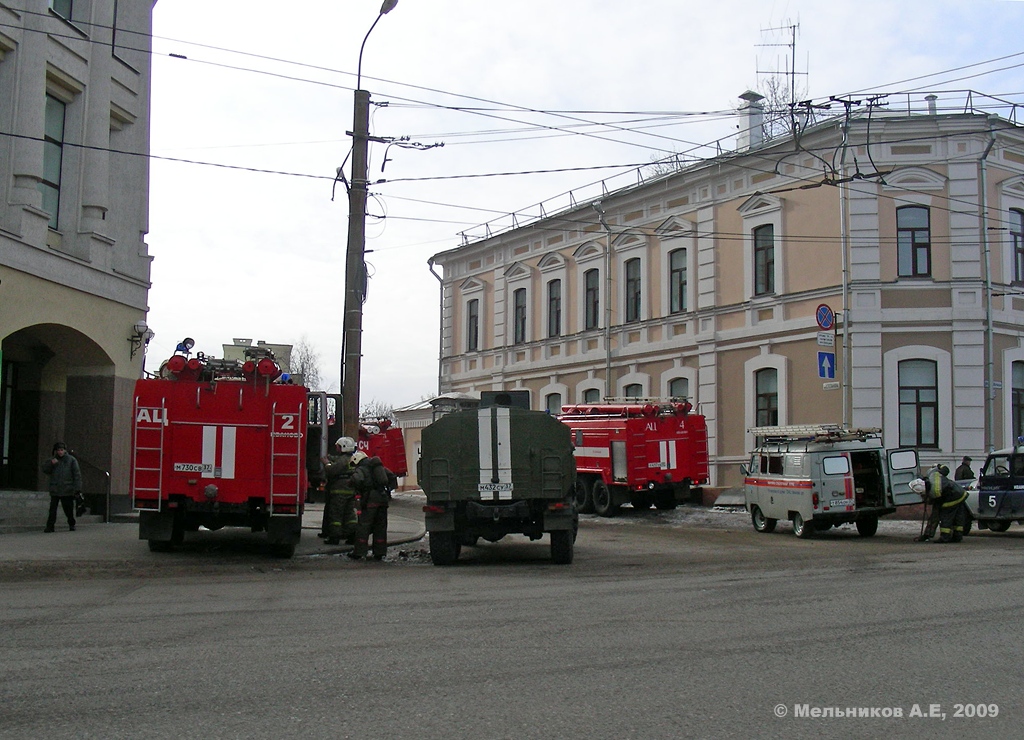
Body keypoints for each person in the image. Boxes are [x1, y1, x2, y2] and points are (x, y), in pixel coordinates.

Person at [348, 451, 396, 561]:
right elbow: (391, 476)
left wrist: (351, 483)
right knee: (380, 527)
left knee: (363, 526)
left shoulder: (361, 469)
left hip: (370, 500)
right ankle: (379, 552)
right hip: (383, 499)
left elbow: (357, 479)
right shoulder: (377, 467)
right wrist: (387, 490)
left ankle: (359, 553)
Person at [911, 464, 967, 543]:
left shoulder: (935, 493)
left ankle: (945, 537)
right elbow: (946, 469)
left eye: (922, 495)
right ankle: (957, 537)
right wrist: (939, 466)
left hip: (953, 496)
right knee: (958, 516)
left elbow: (935, 513)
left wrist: (927, 535)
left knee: (946, 516)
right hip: (961, 492)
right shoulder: (932, 473)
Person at [320, 437, 358, 545]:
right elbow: (337, 460)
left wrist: (326, 463)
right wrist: (330, 458)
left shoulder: (343, 460)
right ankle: (352, 536)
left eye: (338, 446)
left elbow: (332, 470)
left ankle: (334, 537)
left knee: (336, 515)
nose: (336, 448)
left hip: (339, 492)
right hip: (350, 491)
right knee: (349, 515)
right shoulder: (352, 458)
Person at [42, 442, 82, 532]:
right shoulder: (53, 460)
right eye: (58, 450)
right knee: (52, 509)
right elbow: (45, 469)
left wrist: (77, 488)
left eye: (62, 450)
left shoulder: (71, 460)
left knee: (68, 508)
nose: (60, 452)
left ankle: (71, 523)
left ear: (64, 450)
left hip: (67, 488)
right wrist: (51, 464)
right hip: (55, 488)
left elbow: (77, 475)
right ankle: (50, 526)